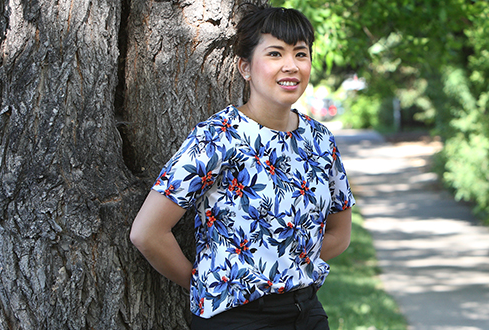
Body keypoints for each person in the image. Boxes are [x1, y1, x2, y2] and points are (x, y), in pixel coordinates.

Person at [129, 4, 354, 329]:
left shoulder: (320, 140)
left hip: (306, 312)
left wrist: (285, 265)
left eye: (300, 54)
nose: (291, 66)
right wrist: (208, 283)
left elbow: (340, 234)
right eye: (275, 54)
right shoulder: (217, 137)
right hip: (235, 318)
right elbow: (148, 233)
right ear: (245, 67)